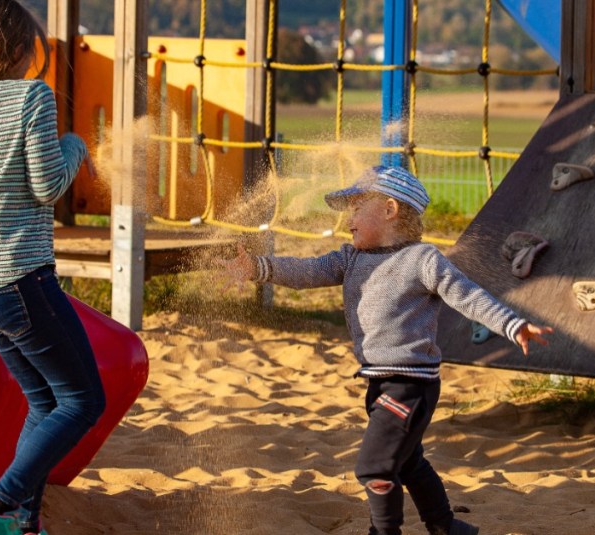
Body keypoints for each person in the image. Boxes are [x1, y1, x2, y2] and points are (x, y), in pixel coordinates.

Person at [217, 165, 552, 535]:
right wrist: (259, 267)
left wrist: (511, 324)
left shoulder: (422, 260)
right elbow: (307, 271)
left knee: (374, 467)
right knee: (407, 463)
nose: (349, 221)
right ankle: (446, 526)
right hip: (379, 382)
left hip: (410, 384)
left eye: (357, 209)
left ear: (390, 210)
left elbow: (468, 296)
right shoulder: (351, 259)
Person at [0, 1, 105, 534]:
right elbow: (47, 186)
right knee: (83, 399)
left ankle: (23, 521)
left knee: (44, 399)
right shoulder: (31, 96)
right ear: (19, 49)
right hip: (17, 275)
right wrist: (75, 146)